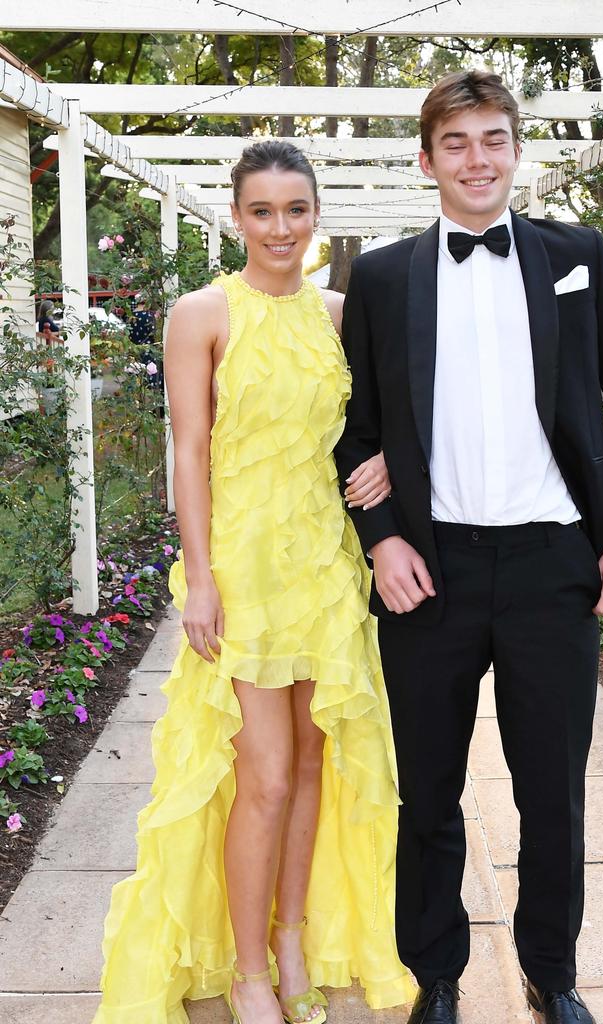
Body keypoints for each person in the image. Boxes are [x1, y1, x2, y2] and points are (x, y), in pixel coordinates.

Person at [335, 71, 603, 1024]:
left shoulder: (579, 257)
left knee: (552, 791)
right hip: (428, 570)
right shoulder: (385, 277)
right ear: (428, 158)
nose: (476, 159)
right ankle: (434, 975)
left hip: (551, 565)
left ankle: (551, 975)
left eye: (492, 140)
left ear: (516, 151)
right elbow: (355, 431)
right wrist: (382, 540)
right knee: (427, 788)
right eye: (456, 143)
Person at [94, 140, 414, 1024]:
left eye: (297, 210)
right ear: (238, 217)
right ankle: (243, 971)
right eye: (263, 211)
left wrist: (384, 461)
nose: (281, 228)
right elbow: (188, 456)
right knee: (264, 774)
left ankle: (291, 939)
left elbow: (379, 423)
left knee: (314, 761)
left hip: (325, 564)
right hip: (241, 568)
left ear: (318, 218)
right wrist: (199, 580)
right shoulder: (201, 313)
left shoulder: (343, 313)